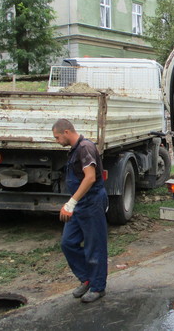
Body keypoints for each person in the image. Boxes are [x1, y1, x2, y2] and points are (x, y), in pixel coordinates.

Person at [52, 119, 108, 302]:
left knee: (94, 246)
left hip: (91, 202)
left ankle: (98, 287)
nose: (57, 141)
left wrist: (71, 203)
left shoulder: (85, 148)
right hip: (79, 204)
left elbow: (90, 178)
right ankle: (87, 279)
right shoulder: (75, 150)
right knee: (68, 243)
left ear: (67, 132)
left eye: (57, 137)